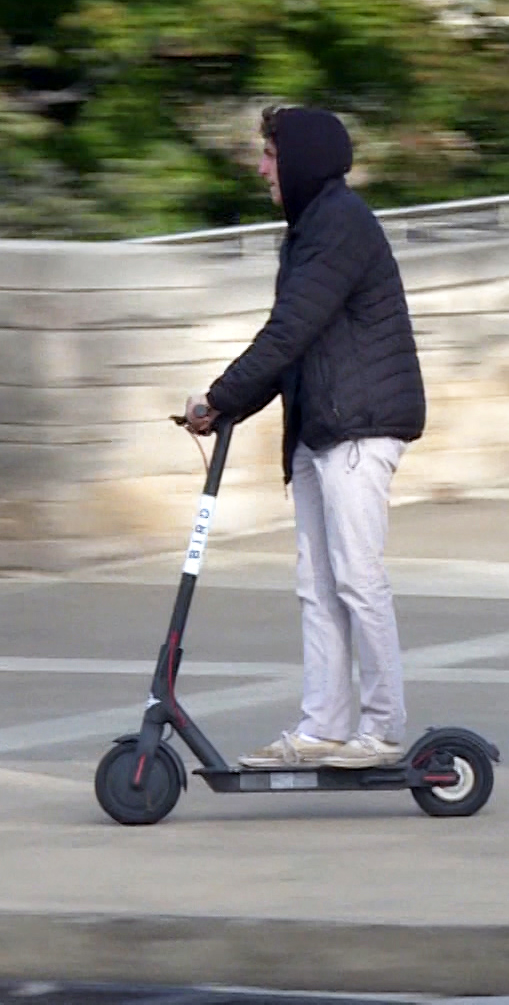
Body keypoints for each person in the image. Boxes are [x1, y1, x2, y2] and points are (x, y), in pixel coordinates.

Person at [185, 105, 427, 770]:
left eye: (269, 154)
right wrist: (228, 409)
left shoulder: (341, 225)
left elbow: (289, 331)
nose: (261, 167)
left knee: (355, 575)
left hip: (360, 426)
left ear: (300, 159)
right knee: (317, 583)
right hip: (320, 429)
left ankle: (382, 729)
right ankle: (324, 724)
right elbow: (293, 344)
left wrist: (221, 394)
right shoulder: (308, 232)